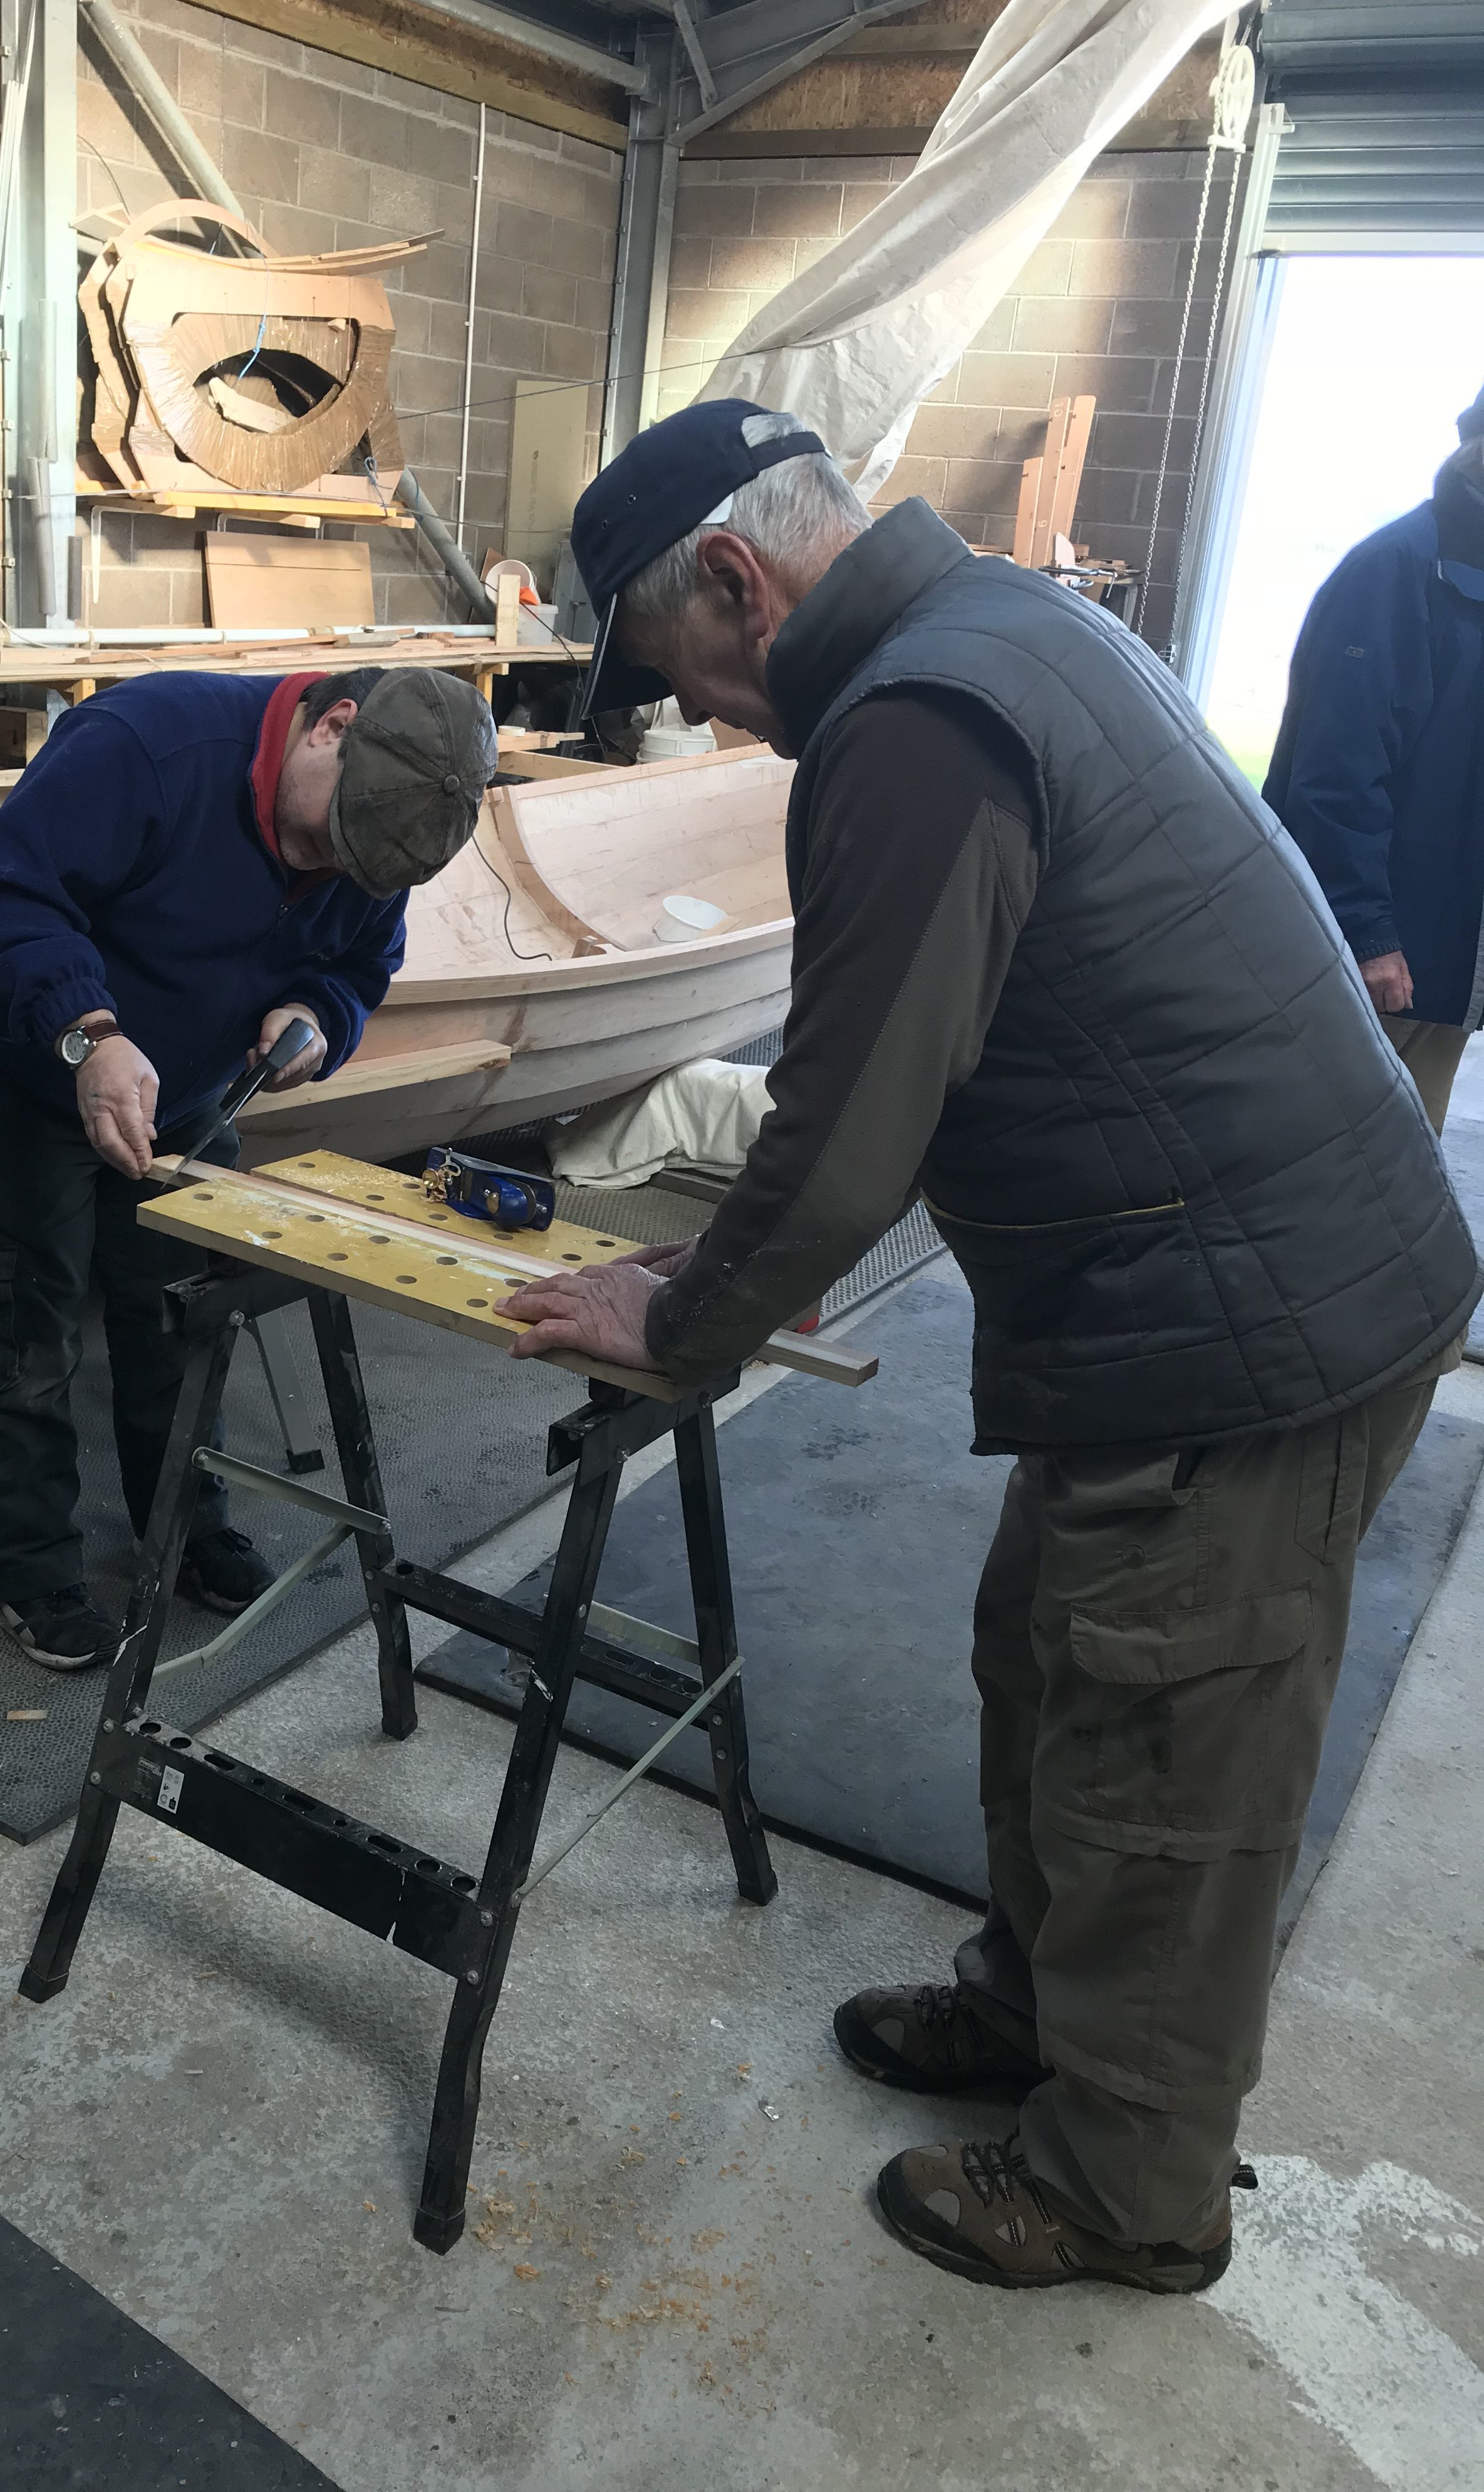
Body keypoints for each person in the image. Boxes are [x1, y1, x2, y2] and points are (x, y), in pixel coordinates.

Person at [497, 399, 1478, 2295]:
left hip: (1245, 1330)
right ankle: (1037, 2006)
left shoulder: (918, 726)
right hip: (1202, 1296)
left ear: (737, 579)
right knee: (1051, 1666)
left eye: (689, 670)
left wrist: (677, 1311)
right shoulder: (1015, 630)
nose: (705, 716)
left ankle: (1127, 2187)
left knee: (1163, 1769)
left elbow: (850, 1119)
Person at [0, 664, 494, 1672]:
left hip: (189, 1090)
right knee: (18, 1314)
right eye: (322, 845)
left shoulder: (375, 836)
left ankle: (184, 1524)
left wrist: (321, 1019)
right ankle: (27, 1568)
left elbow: (359, 964)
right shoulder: (149, 744)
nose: (327, 869)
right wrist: (85, 1036)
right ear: (332, 727)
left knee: (183, 1309)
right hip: (22, 1052)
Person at [1265, 387, 1484, 1132]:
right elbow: (1336, 776)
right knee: (1343, 1159)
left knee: (1409, 1149)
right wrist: (1368, 934)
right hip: (1389, 956)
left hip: (1450, 946)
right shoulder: (1396, 573)